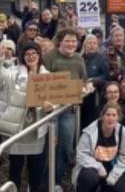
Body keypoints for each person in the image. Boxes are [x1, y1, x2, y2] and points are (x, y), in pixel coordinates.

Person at [0, 42, 52, 192]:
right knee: (15, 168)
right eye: (27, 54)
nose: (31, 57)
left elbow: (55, 101)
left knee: (36, 167)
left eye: (34, 54)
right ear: (23, 57)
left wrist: (50, 107)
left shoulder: (47, 76)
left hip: (37, 129)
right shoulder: (12, 73)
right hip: (17, 128)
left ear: (39, 55)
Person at [43, 28, 88, 187]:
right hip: (51, 110)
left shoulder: (79, 59)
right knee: (48, 147)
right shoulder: (49, 57)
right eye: (67, 41)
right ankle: (43, 183)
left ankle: (55, 181)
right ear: (60, 41)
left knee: (66, 146)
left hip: (69, 110)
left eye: (74, 41)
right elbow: (41, 83)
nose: (71, 44)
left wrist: (84, 89)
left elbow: (83, 80)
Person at [72, 102, 125, 192]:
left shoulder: (122, 131)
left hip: (112, 166)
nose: (111, 118)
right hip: (92, 167)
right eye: (108, 115)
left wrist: (114, 174)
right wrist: (98, 167)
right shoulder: (90, 131)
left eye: (114, 115)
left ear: (118, 117)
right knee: (88, 177)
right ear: (102, 116)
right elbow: (81, 155)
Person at [82, 33, 110, 127]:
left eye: (94, 43)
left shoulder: (101, 59)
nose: (92, 45)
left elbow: (106, 76)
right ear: (85, 45)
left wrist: (94, 80)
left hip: (94, 95)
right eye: (89, 43)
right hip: (79, 93)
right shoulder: (79, 57)